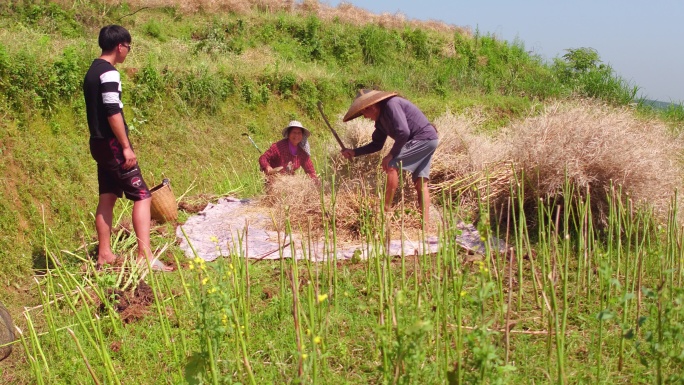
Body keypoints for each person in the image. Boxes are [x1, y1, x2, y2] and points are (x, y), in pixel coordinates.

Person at [83, 25, 172, 271]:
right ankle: (145, 256)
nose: (128, 52)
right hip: (112, 144)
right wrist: (125, 147)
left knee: (107, 197)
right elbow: (113, 111)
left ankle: (104, 254)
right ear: (120, 46)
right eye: (128, 47)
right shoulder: (109, 73)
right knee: (143, 196)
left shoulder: (91, 71)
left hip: (97, 143)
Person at [341, 89, 439, 225]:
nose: (364, 116)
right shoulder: (380, 121)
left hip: (423, 138)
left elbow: (403, 132)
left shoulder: (392, 104)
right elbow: (377, 145)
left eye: (364, 112)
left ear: (372, 107)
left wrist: (391, 155)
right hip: (430, 140)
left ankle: (385, 212)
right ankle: (426, 226)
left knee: (391, 165)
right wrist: (354, 152)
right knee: (421, 183)